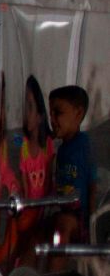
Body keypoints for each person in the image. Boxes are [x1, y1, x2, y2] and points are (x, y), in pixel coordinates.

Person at [10, 76, 55, 268]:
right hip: (29, 208)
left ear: (40, 115)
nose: (26, 114)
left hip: (44, 206)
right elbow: (24, 184)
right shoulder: (25, 149)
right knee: (24, 230)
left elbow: (51, 179)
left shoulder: (48, 146)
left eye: (30, 108)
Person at [49, 85, 97, 246]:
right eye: (51, 114)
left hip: (80, 219)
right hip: (64, 212)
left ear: (78, 114)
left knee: (62, 229)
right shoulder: (61, 149)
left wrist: (92, 224)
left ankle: (55, 270)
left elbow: (93, 186)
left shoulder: (84, 146)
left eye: (58, 113)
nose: (52, 120)